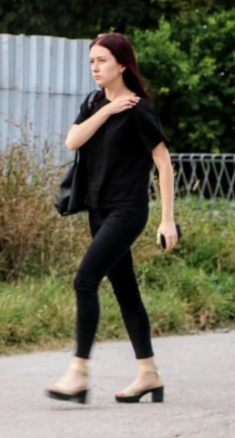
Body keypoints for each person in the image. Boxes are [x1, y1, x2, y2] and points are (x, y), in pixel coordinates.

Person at [45, 32, 177, 405]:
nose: (95, 68)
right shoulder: (94, 103)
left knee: (85, 281)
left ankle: (78, 373)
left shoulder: (138, 110)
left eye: (102, 60)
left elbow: (164, 165)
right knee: (125, 290)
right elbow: (73, 141)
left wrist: (167, 220)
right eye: (91, 62)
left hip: (128, 210)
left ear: (122, 64)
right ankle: (149, 373)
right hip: (99, 210)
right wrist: (105, 110)